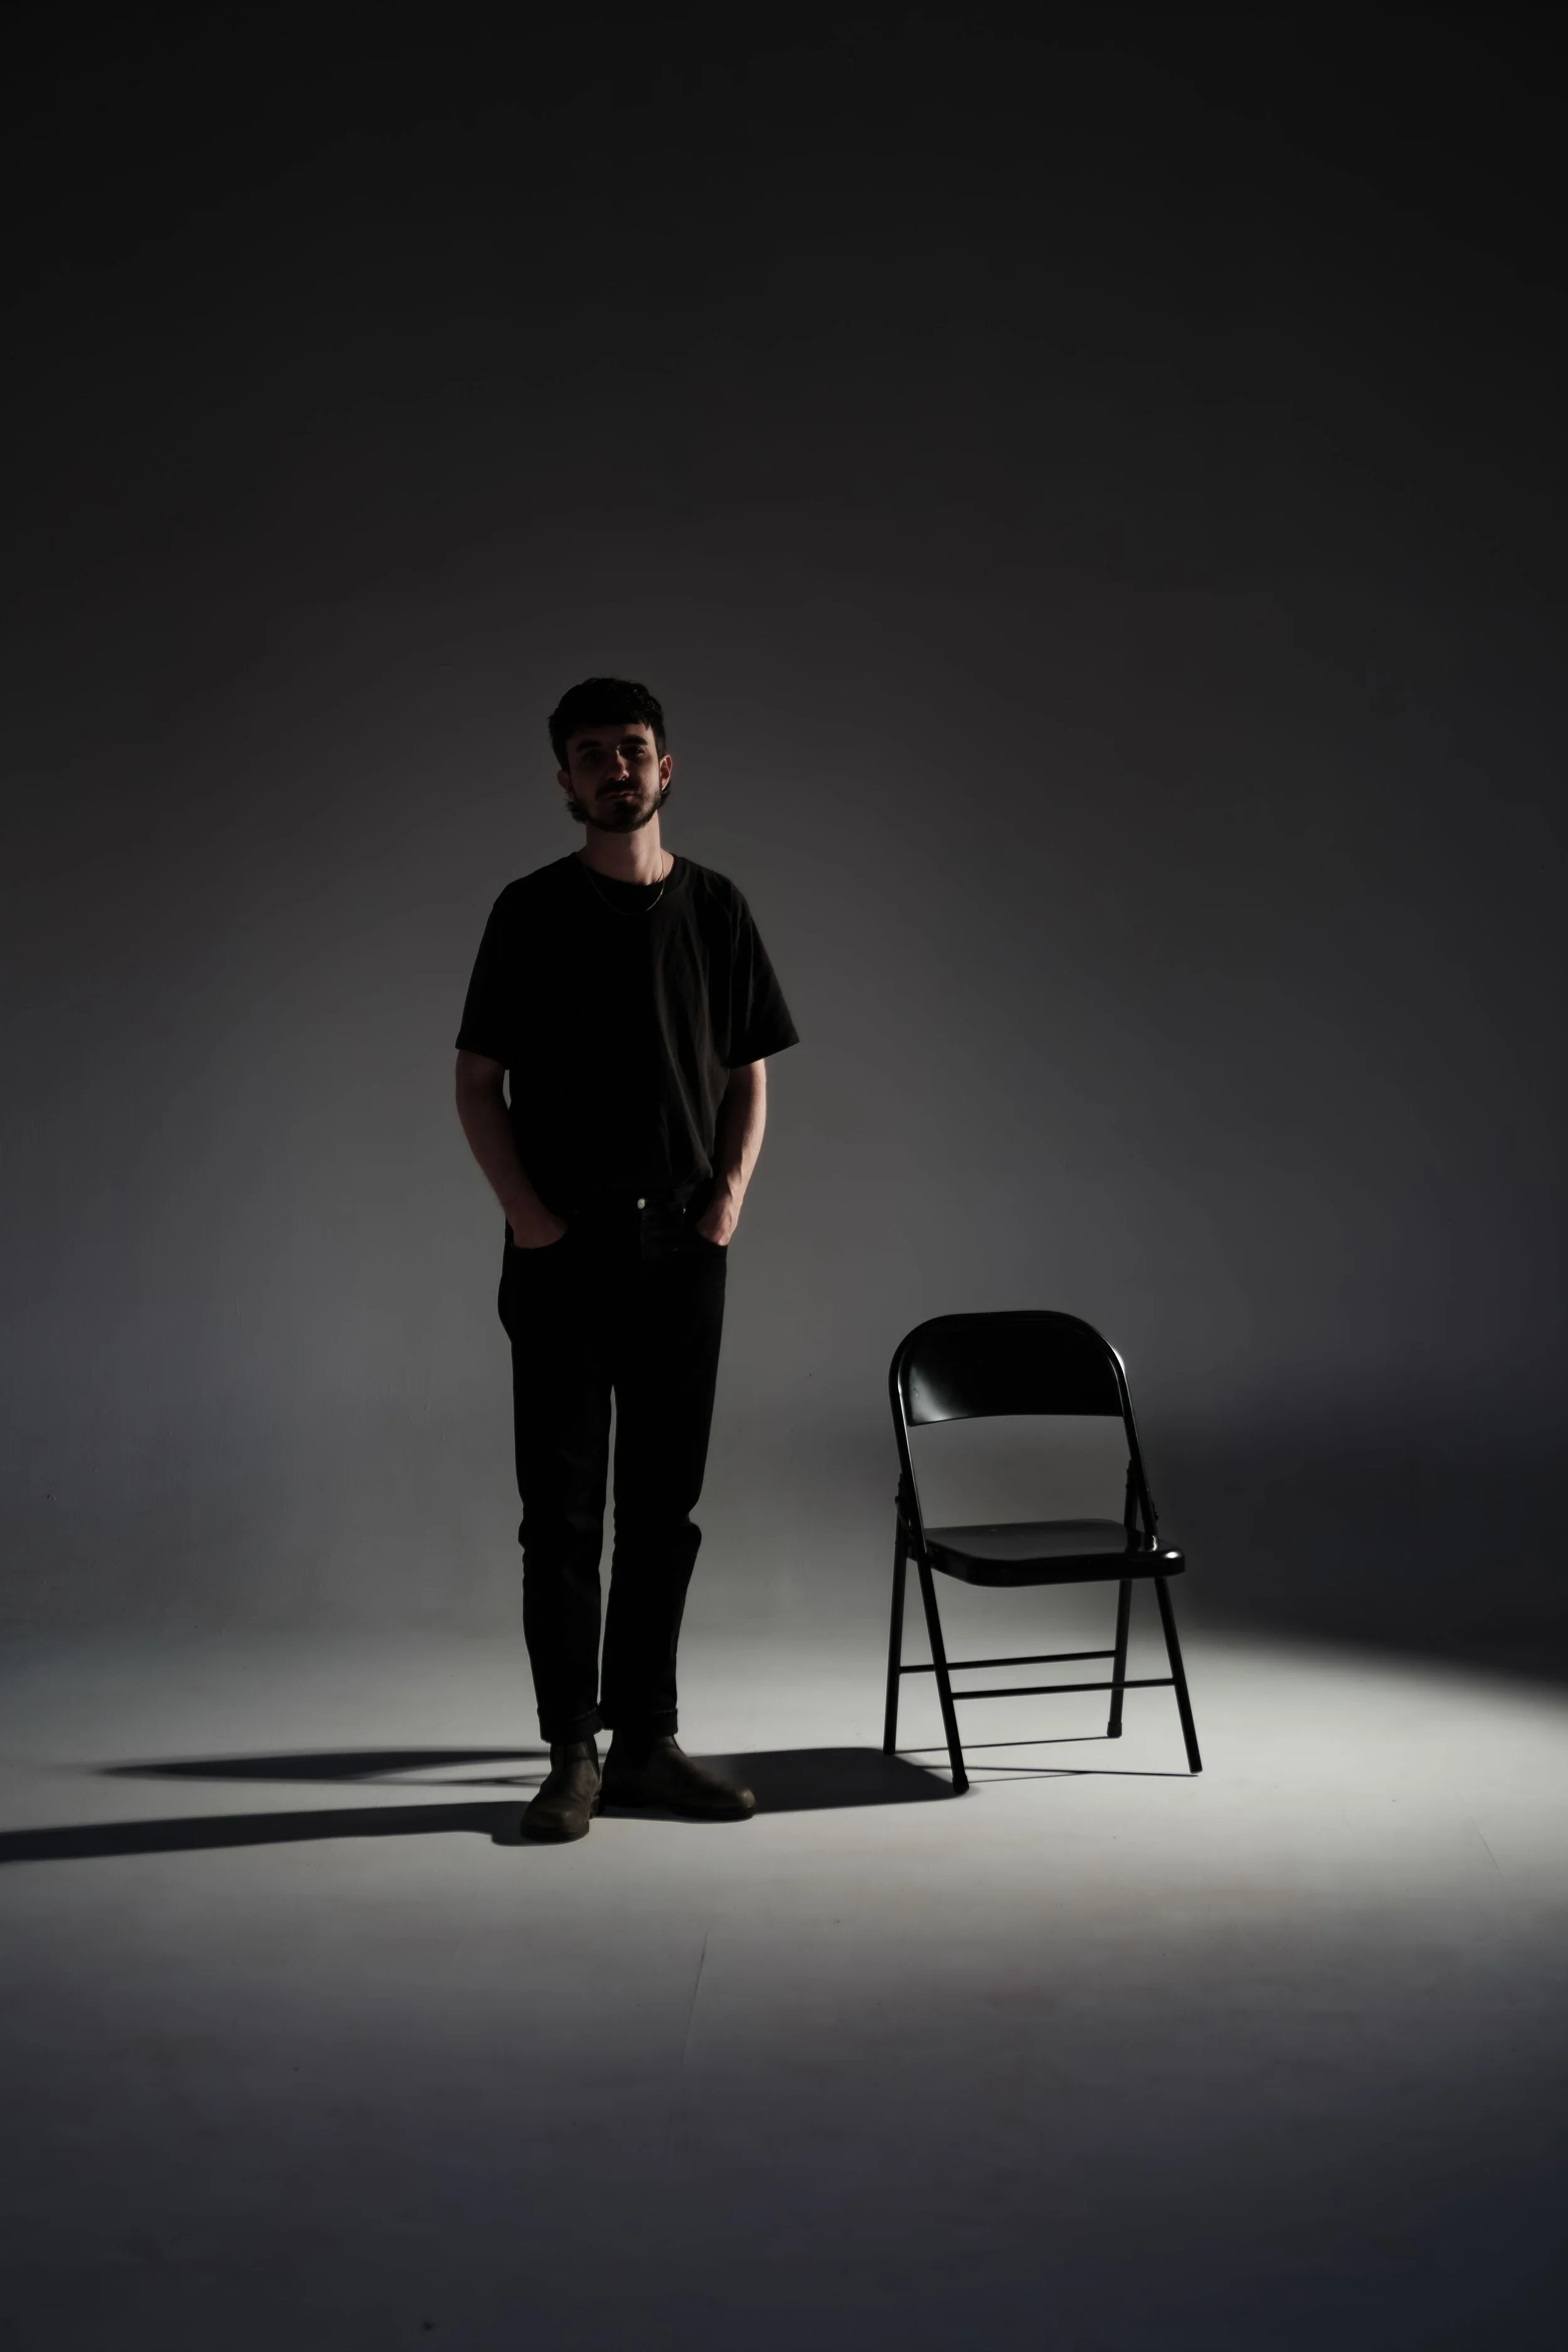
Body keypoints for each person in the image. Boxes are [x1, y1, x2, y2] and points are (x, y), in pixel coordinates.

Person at [454, 677, 798, 1841]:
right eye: (591, 753)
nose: (615, 768)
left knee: (664, 1509)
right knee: (559, 1515)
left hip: (683, 1245)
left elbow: (751, 1067)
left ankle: (647, 1740)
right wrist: (528, 1216)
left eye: (633, 749)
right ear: (563, 779)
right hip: (561, 1248)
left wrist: (727, 1203)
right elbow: (474, 1081)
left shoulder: (718, 908)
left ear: (667, 768)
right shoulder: (528, 911)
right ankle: (571, 1755)